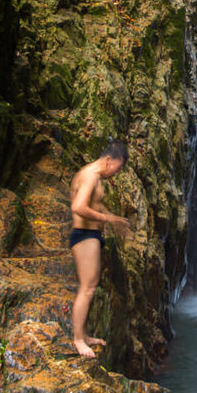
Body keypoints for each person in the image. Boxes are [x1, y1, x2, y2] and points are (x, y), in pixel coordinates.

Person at [68, 139, 132, 358]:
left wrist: (113, 219)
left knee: (91, 287)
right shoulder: (90, 176)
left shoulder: (92, 175)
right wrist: (106, 218)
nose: (117, 172)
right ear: (108, 160)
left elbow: (93, 203)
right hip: (84, 235)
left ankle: (84, 336)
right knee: (87, 288)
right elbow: (78, 206)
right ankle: (78, 339)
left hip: (91, 234)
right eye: (118, 167)